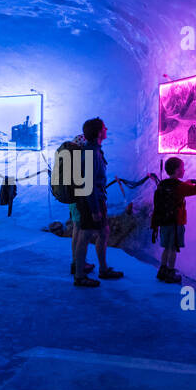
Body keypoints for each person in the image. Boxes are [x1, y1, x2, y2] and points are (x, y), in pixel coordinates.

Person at [72, 117, 123, 288]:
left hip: (93, 199)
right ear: (99, 132)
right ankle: (79, 276)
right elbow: (89, 184)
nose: (106, 129)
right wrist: (94, 209)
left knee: (103, 232)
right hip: (90, 201)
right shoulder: (91, 153)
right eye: (104, 127)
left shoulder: (94, 151)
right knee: (85, 235)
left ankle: (103, 269)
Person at [152, 156, 196, 283]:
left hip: (164, 222)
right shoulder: (180, 187)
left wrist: (186, 184)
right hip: (175, 223)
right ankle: (171, 272)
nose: (184, 170)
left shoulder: (163, 184)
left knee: (166, 248)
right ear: (176, 171)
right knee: (173, 249)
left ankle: (162, 270)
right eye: (182, 168)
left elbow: (175, 190)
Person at [67, 130, 94, 276]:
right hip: (80, 200)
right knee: (79, 231)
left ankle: (76, 261)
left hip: (73, 199)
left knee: (76, 230)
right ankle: (78, 264)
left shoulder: (71, 159)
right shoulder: (80, 161)